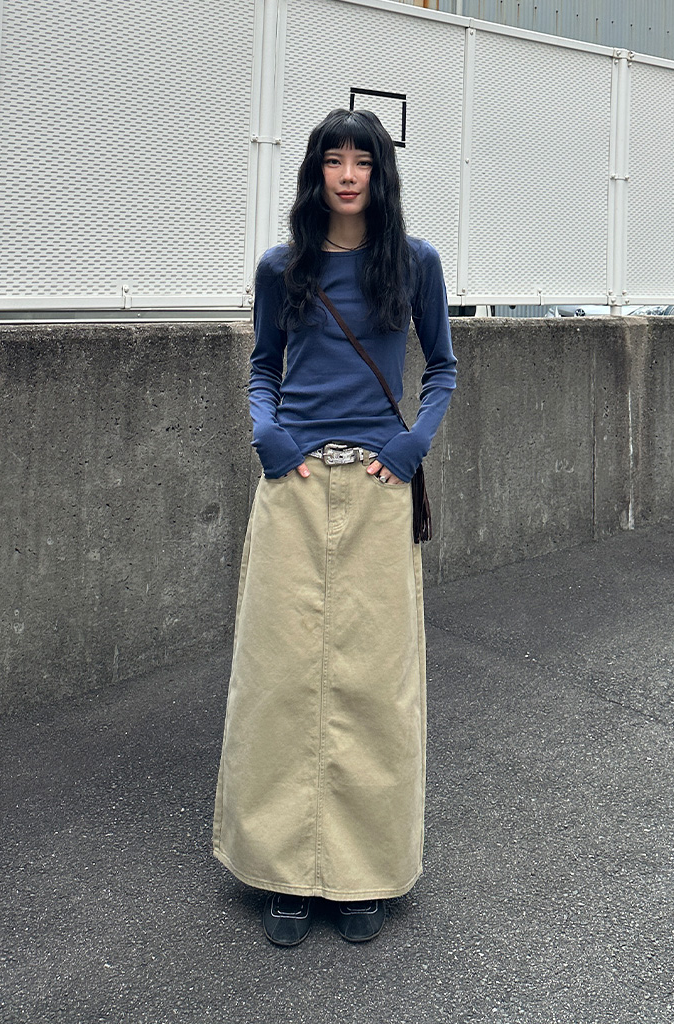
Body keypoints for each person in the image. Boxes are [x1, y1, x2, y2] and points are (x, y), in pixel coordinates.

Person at [212, 108, 457, 946]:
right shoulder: (282, 267)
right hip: (295, 484)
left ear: (381, 174)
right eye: (333, 160)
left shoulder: (415, 263)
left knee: (375, 683)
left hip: (379, 488)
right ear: (315, 172)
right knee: (280, 679)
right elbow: (263, 367)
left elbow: (442, 368)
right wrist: (268, 436)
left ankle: (362, 875)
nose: (348, 175)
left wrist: (411, 444)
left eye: (363, 161)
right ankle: (283, 872)